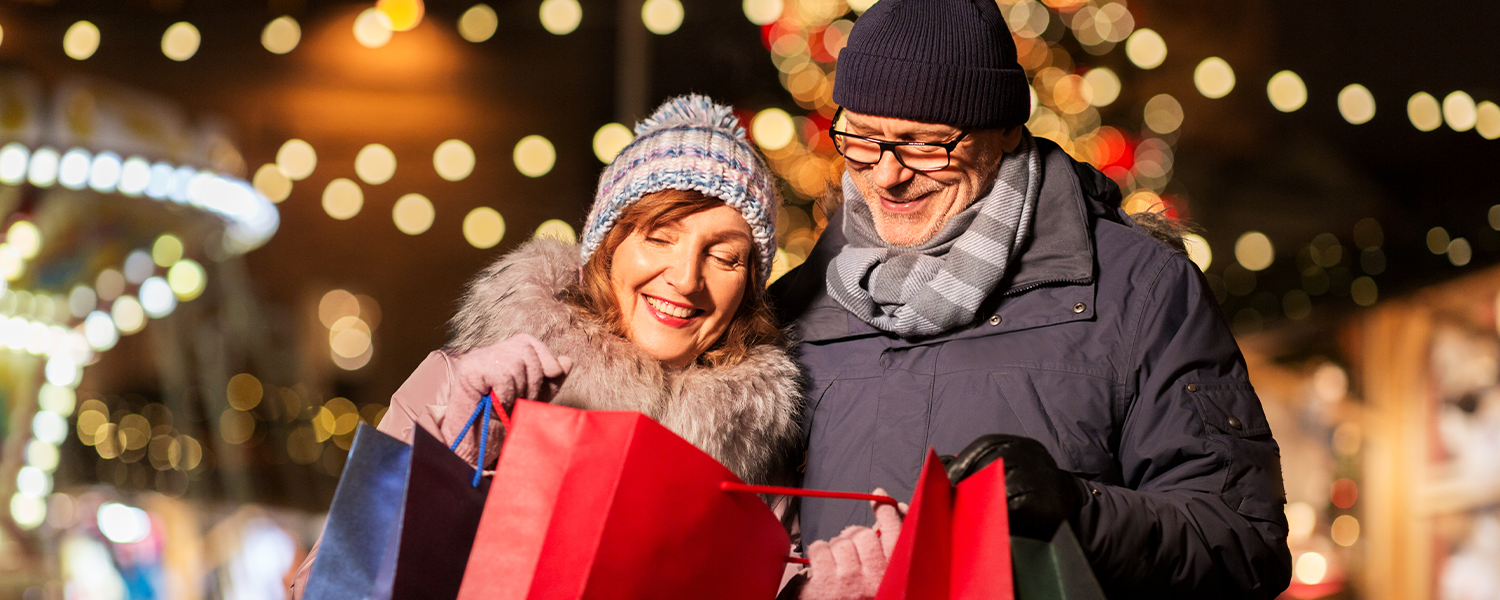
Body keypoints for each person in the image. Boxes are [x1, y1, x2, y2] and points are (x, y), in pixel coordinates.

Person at [769, 0, 1292, 598]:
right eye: (861, 137)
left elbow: (1245, 542)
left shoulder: (1137, 291)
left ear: (1005, 132)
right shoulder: (797, 306)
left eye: (924, 145)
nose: (886, 175)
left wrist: (1080, 512)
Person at [289, 95, 803, 597]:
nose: (687, 279)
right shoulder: (465, 390)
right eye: (660, 237)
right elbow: (326, 586)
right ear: (607, 245)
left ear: (748, 287)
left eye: (726, 257)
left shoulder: (760, 455)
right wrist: (457, 446)